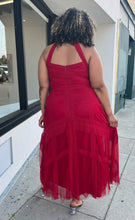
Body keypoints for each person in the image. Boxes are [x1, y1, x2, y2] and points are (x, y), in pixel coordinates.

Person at [38, 8, 120, 215]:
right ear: (85, 27)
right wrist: (110, 114)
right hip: (86, 109)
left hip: (57, 109)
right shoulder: (89, 51)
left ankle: (64, 186)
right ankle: (76, 197)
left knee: (62, 148)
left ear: (62, 25)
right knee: (84, 149)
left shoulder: (47, 52)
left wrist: (43, 112)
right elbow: (99, 85)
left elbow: (43, 87)